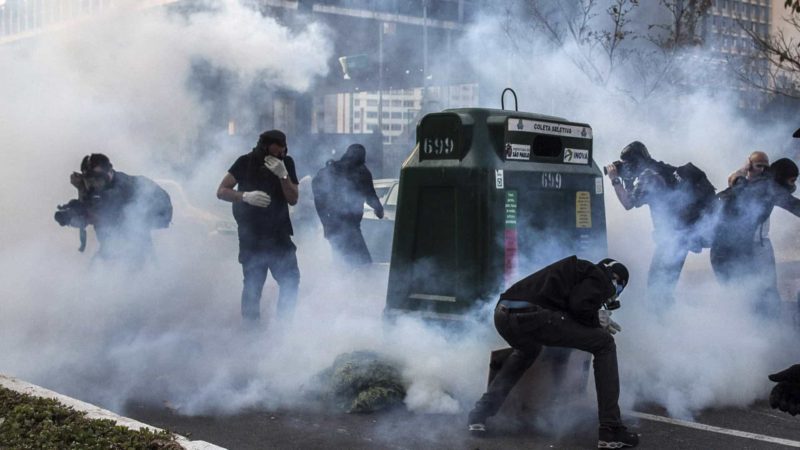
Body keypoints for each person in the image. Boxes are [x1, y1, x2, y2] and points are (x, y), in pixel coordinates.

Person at [467, 256, 639, 449]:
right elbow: (579, 305)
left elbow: (567, 316)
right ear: (617, 280)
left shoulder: (579, 273)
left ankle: (479, 415)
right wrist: (595, 318)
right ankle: (611, 430)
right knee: (605, 343)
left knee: (528, 350)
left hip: (503, 315)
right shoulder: (602, 278)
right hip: (534, 316)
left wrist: (590, 318)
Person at [605, 141, 715, 306]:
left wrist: (615, 180)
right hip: (682, 236)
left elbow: (628, 203)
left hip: (672, 240)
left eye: (627, 164)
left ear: (635, 162)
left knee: (657, 289)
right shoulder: (663, 169)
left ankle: (665, 324)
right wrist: (628, 179)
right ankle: (666, 322)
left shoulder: (648, 176)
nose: (625, 167)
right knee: (663, 287)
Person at [217, 130, 300, 323]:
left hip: (279, 235)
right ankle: (251, 331)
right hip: (252, 236)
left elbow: (293, 199)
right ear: (263, 148)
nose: (279, 156)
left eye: (282, 152)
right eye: (274, 153)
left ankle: (284, 327)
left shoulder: (286, 164)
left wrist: (283, 176)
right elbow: (221, 191)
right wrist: (244, 196)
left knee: (290, 281)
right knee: (253, 285)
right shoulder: (245, 162)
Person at [711, 158, 800, 315]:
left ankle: (739, 331)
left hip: (720, 251)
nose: (793, 185)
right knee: (755, 299)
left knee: (739, 298)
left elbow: (735, 183)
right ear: (782, 177)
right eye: (792, 180)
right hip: (736, 252)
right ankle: (759, 332)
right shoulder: (770, 188)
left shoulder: (753, 183)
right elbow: (795, 206)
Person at [55, 153, 172, 267]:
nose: (93, 185)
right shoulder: (94, 190)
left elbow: (106, 205)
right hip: (110, 249)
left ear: (110, 173)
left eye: (97, 180)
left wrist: (85, 210)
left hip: (136, 253)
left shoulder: (124, 186)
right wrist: (73, 214)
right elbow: (90, 212)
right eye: (89, 181)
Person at [312, 143, 384, 266]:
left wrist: (326, 224)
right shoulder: (361, 172)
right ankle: (351, 284)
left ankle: (343, 284)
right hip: (349, 226)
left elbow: (319, 201)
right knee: (363, 264)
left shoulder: (328, 170)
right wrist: (379, 210)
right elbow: (370, 195)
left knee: (341, 262)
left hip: (334, 225)